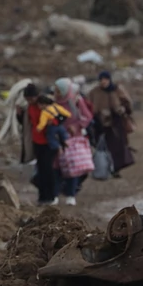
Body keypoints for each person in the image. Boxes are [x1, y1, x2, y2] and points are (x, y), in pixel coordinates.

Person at [54, 78, 95, 206]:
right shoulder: (54, 102)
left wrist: (76, 127)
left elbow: (87, 117)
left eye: (58, 90)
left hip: (74, 139)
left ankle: (71, 194)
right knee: (57, 167)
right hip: (58, 138)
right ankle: (55, 194)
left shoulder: (75, 101)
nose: (56, 93)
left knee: (73, 167)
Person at [17, 83, 57, 205]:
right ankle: (42, 196)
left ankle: (51, 196)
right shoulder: (29, 107)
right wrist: (19, 115)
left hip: (48, 142)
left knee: (48, 170)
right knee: (40, 169)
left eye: (31, 98)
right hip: (36, 141)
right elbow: (26, 123)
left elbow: (56, 119)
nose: (29, 101)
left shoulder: (45, 104)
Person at [89, 71, 134, 177]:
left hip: (116, 122)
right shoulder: (95, 92)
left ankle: (116, 168)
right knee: (103, 146)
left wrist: (122, 109)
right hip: (100, 123)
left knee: (117, 146)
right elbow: (90, 106)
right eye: (101, 80)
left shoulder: (117, 89)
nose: (103, 82)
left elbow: (127, 103)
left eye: (105, 79)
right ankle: (106, 167)